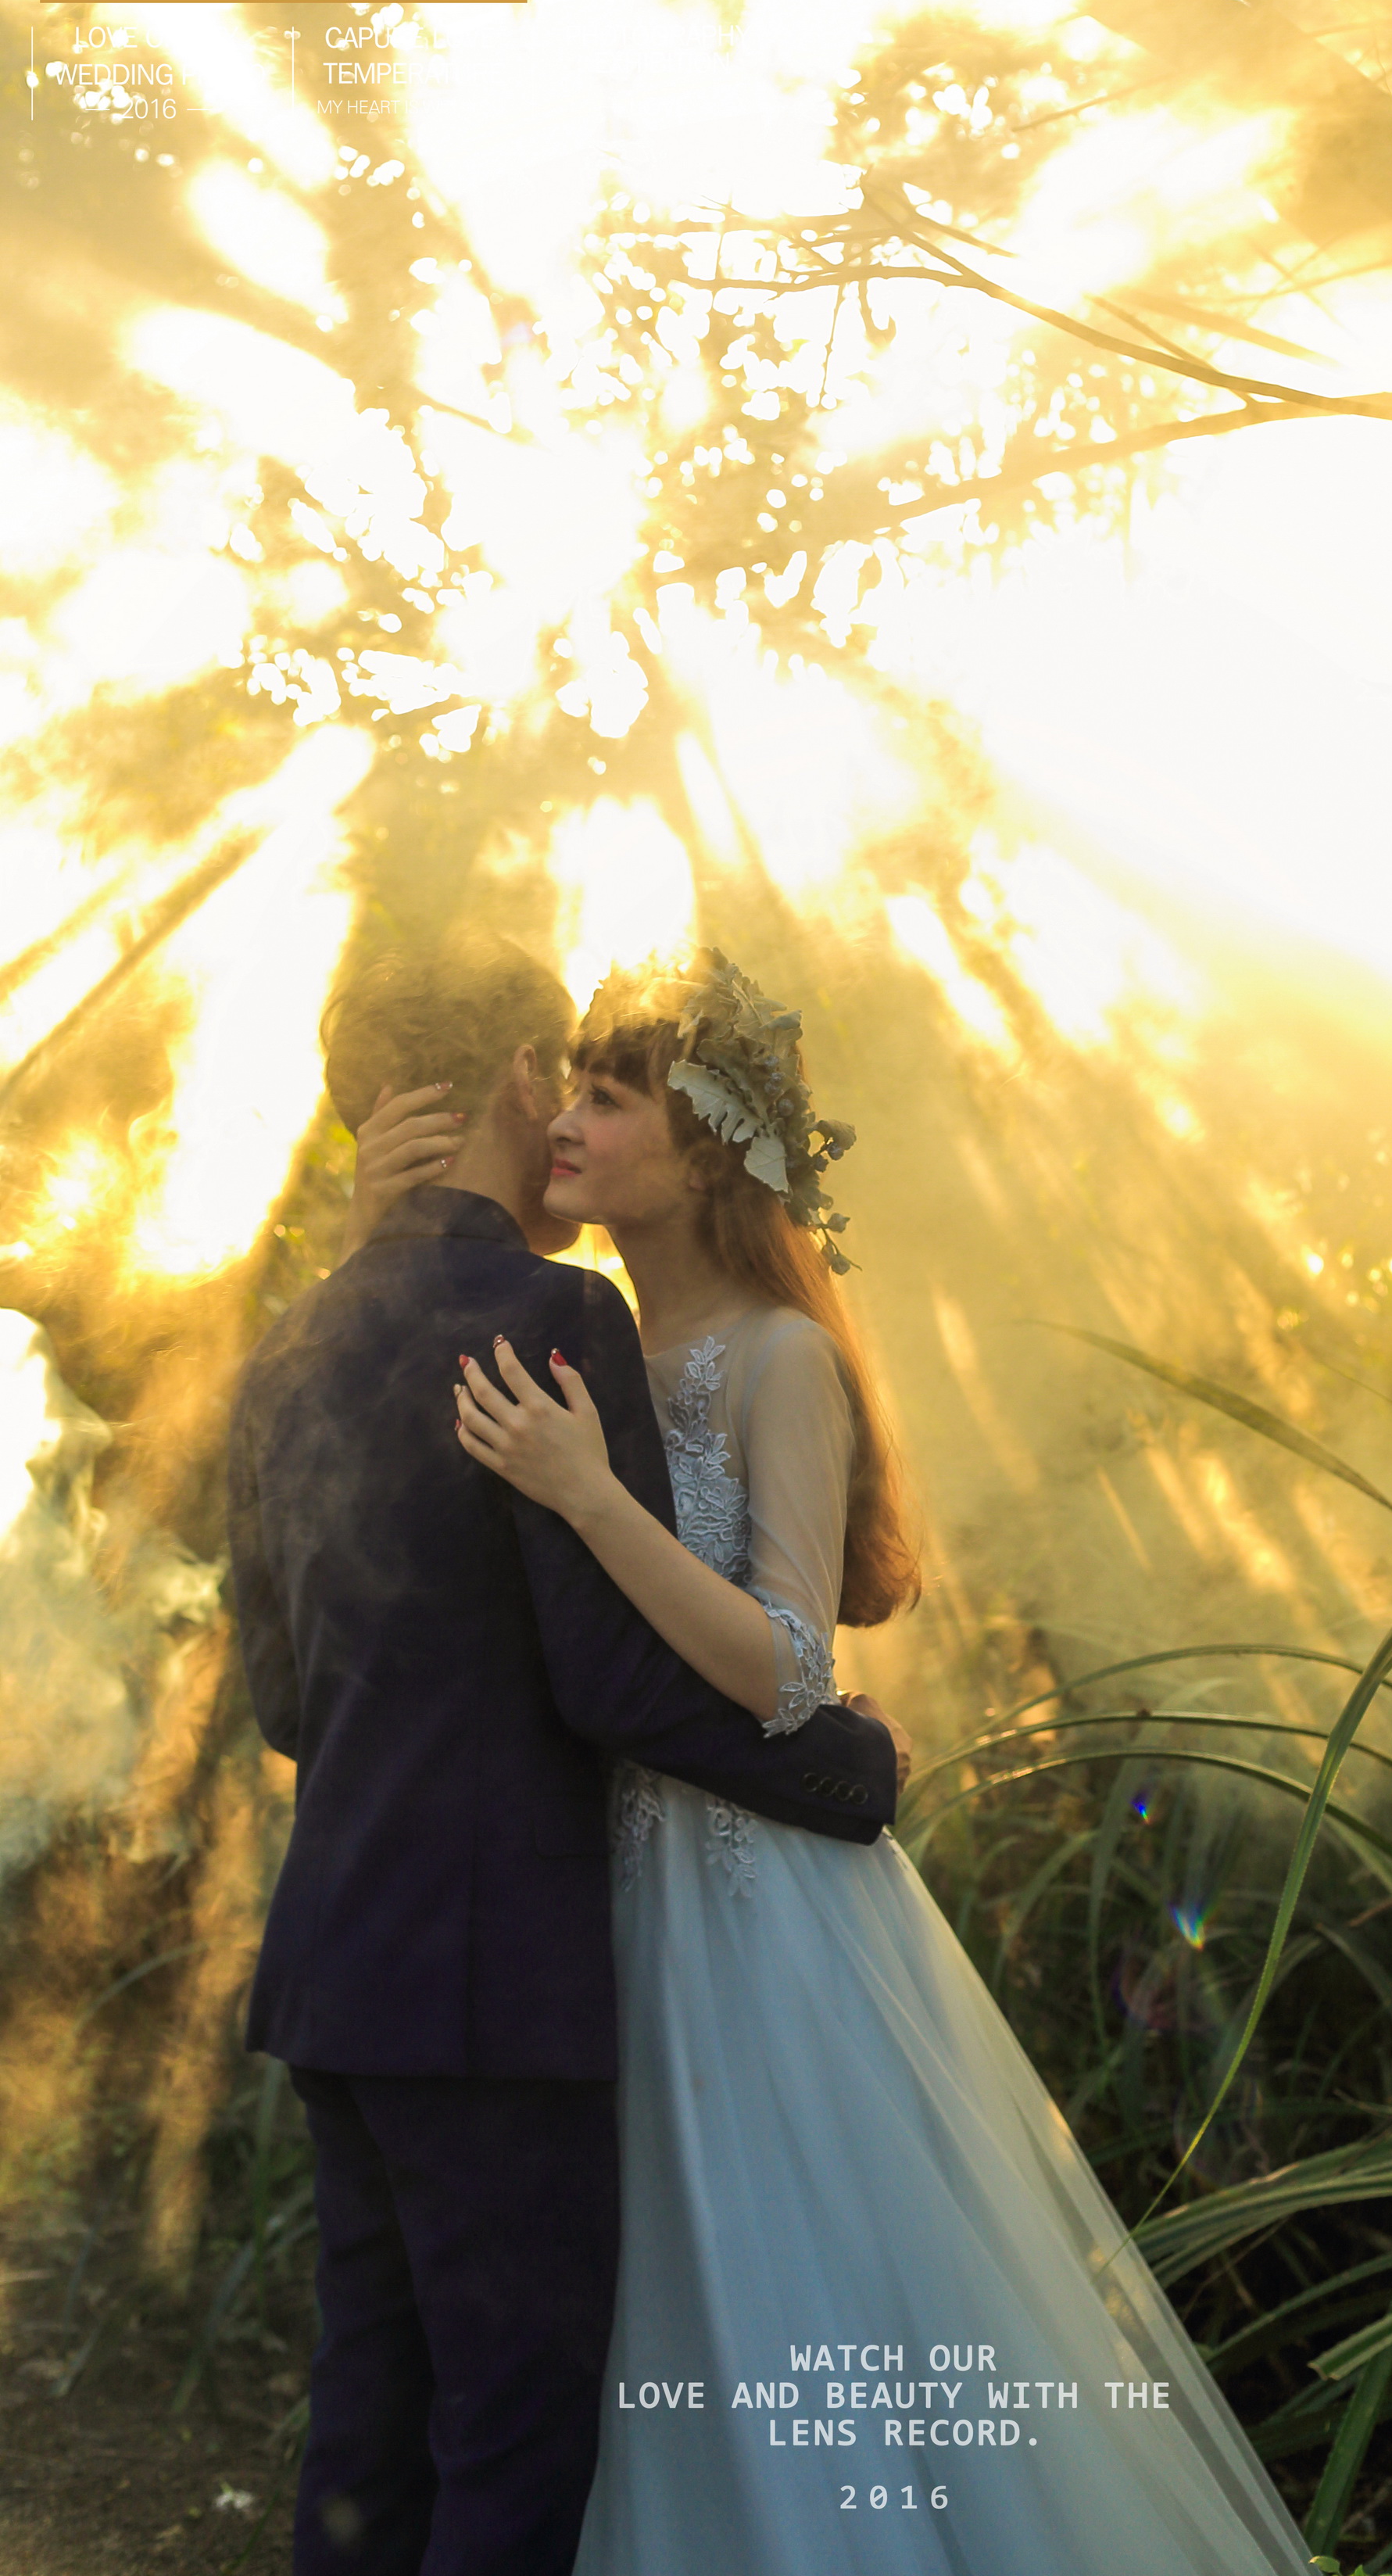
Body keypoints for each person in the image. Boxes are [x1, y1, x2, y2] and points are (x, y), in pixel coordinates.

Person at [355, 944, 1314, 2574]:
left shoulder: (779, 1360)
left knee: (777, 2291)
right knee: (638, 2308)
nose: (564, 1119)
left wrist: (591, 1496)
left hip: (752, 1906)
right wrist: (388, 1224)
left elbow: (793, 1666)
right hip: (602, 1892)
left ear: (709, 1152)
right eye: (566, 1088)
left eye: (607, 1096)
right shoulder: (584, 1338)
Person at [228, 926, 907, 2576]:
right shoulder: (555, 1320)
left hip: (341, 1971)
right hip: (496, 1990)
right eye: (564, 1076)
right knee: (513, 2449)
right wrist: (841, 1771)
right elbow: (606, 1679)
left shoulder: (290, 1354)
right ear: (514, 1077)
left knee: (365, 2433)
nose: (572, 1116)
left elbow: (287, 1707)